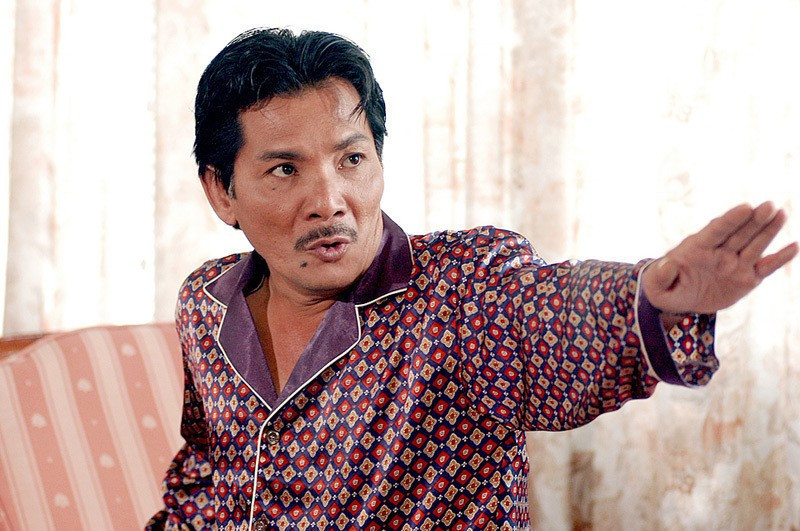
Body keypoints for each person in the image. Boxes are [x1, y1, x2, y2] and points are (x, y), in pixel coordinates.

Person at [147, 27, 798, 530]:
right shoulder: (206, 301)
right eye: (285, 170)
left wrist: (649, 298)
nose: (330, 200)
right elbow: (209, 475)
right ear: (222, 191)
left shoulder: (459, 289)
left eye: (351, 159)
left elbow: (541, 316)